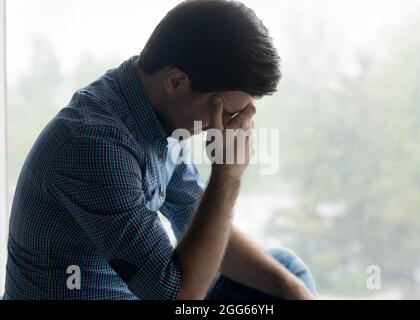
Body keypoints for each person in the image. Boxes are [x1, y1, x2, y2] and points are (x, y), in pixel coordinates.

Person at [4, 0, 316, 300]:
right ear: (176, 82)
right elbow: (179, 295)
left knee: (285, 274)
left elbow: (197, 222)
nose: (221, 126)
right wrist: (228, 174)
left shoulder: (157, 112)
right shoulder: (96, 145)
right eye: (222, 111)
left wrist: (294, 291)